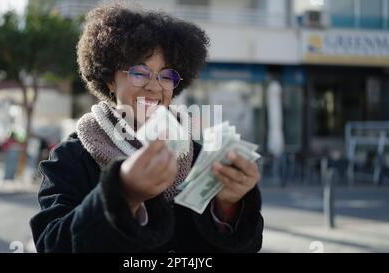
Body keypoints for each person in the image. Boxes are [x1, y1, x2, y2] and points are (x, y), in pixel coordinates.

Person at [30, 3, 263, 253]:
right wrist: (123, 196)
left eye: (166, 76)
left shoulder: (201, 157)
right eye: (139, 73)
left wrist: (228, 207)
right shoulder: (71, 158)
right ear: (109, 79)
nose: (154, 87)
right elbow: (52, 245)